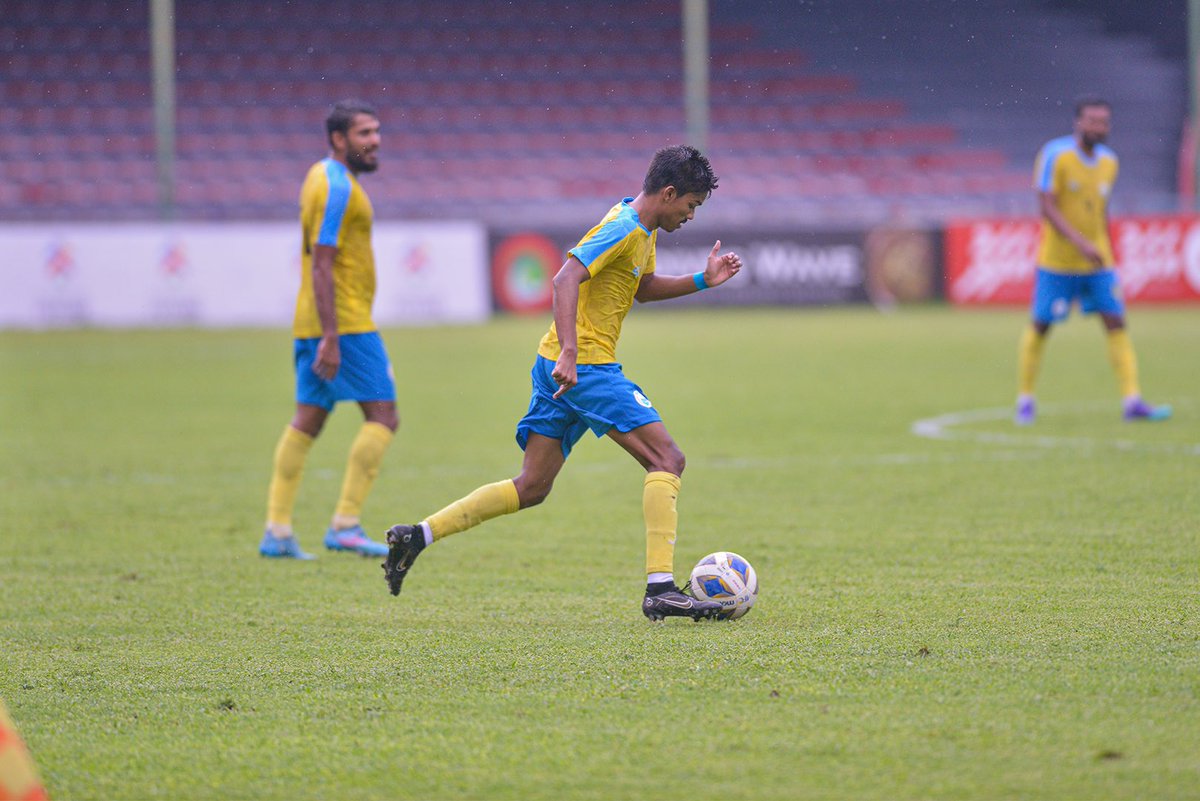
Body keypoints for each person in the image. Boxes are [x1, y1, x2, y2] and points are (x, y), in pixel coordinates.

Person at [381, 145, 743, 620]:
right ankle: (659, 589)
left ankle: (417, 535)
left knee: (532, 486)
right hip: (584, 366)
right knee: (667, 458)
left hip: (555, 362)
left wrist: (702, 279)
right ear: (669, 192)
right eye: (691, 205)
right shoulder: (622, 227)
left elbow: (642, 288)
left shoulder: (642, 227)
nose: (691, 216)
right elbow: (563, 278)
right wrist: (572, 353)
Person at [258, 99, 397, 559]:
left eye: (376, 131)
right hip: (345, 322)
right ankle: (346, 524)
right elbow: (323, 263)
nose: (375, 141)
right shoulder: (337, 187)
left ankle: (277, 531)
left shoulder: (320, 176)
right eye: (364, 133)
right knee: (383, 415)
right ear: (339, 139)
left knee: (309, 420)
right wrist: (333, 337)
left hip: (312, 321)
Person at [1015, 96, 1170, 425]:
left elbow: (1100, 211)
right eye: (1093, 121)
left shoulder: (1109, 162)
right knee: (1041, 326)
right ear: (1078, 123)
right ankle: (1025, 398)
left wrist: (1106, 249)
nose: (1099, 127)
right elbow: (1046, 206)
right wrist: (1082, 243)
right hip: (1057, 263)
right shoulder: (1055, 155)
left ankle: (1132, 400)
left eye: (1104, 122)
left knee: (1116, 323)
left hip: (1099, 264)